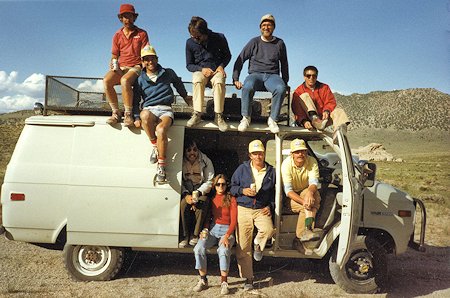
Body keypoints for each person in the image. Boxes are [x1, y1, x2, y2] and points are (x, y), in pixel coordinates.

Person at [132, 45, 190, 183]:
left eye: (152, 59)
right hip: (149, 109)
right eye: (146, 59)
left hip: (165, 109)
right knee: (144, 115)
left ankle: (161, 167)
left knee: (161, 130)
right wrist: (135, 116)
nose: (150, 62)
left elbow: (178, 84)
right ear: (142, 61)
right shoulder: (140, 78)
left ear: (157, 59)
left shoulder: (168, 72)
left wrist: (186, 97)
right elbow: (135, 100)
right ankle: (155, 146)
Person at [230, 140, 275, 291]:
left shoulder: (271, 171)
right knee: (243, 246)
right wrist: (243, 191)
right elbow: (232, 187)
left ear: (264, 154)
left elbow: (275, 193)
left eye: (260, 153)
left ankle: (258, 244)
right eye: (255, 154)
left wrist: (270, 205)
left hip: (261, 208)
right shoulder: (242, 169)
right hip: (243, 208)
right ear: (250, 155)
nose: (258, 156)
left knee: (268, 230)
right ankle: (248, 279)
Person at [232, 14, 289, 134]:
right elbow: (240, 59)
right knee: (247, 86)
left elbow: (284, 63)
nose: (266, 27)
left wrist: (285, 81)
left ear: (273, 27)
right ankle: (246, 118)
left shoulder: (280, 43)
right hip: (255, 74)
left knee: (280, 88)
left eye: (269, 25)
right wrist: (235, 78)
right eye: (264, 25)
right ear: (260, 28)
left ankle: (273, 119)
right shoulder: (254, 42)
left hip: (272, 76)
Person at [103, 3, 149, 127]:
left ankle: (128, 114)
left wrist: (144, 66)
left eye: (130, 16)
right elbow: (114, 55)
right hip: (121, 67)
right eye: (124, 17)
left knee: (125, 81)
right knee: (106, 81)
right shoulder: (117, 35)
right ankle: (116, 113)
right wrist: (113, 63)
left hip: (136, 67)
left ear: (134, 18)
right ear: (120, 18)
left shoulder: (142, 33)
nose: (127, 20)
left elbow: (146, 53)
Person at [192, 174, 237, 295]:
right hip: (213, 229)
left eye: (223, 184)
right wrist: (205, 229)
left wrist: (227, 235)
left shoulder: (231, 199)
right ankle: (203, 280)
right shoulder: (211, 199)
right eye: (218, 184)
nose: (220, 186)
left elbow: (233, 221)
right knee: (198, 248)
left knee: (223, 251)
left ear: (226, 185)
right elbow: (208, 218)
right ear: (214, 186)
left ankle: (224, 282)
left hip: (227, 230)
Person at [185, 16, 232, 132]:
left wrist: (221, 66)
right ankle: (197, 114)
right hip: (201, 71)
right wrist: (201, 70)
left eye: (197, 37)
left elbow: (228, 56)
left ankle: (218, 116)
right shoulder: (189, 43)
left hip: (216, 70)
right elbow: (189, 65)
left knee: (219, 80)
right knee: (197, 79)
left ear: (205, 32)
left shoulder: (219, 37)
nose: (195, 39)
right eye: (193, 37)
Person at [281, 139, 322, 251]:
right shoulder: (286, 165)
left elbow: (314, 182)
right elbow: (288, 191)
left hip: (305, 191)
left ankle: (305, 234)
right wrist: (305, 201)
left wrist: (309, 192)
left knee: (314, 196)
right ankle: (301, 236)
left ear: (306, 152)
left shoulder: (311, 161)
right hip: (291, 196)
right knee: (310, 205)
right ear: (292, 154)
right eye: (297, 152)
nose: (300, 154)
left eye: (303, 151)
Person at [291, 65, 350, 141]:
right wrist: (303, 121)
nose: (311, 78)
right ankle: (315, 120)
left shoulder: (324, 87)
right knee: (304, 96)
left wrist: (327, 110)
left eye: (314, 76)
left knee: (339, 112)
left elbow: (330, 101)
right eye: (308, 76)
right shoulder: (298, 91)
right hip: (309, 121)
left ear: (317, 76)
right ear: (304, 77)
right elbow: (297, 110)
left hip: (323, 120)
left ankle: (339, 136)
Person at [180, 139, 215, 247]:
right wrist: (186, 195)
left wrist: (198, 193)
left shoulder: (205, 160)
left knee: (202, 203)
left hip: (200, 191)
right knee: (183, 205)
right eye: (189, 150)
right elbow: (177, 180)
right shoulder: (180, 161)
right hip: (186, 189)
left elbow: (210, 180)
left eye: (194, 150)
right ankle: (185, 235)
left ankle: (195, 235)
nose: (192, 153)